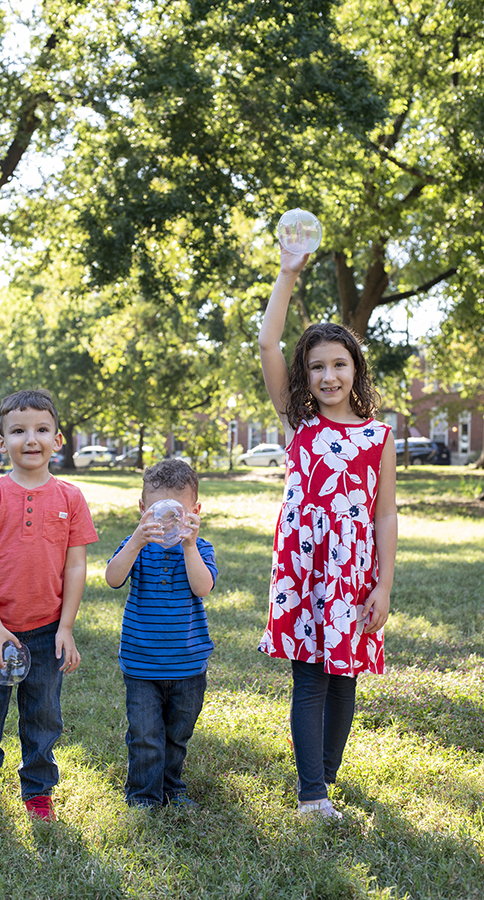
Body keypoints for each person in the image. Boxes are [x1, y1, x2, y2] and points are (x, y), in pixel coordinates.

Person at [257, 238, 397, 818]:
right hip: (303, 568)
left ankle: (327, 775)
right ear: (305, 375)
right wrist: (289, 272)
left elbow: (385, 513)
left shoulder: (378, 437)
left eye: (340, 364)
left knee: (346, 680)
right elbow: (268, 341)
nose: (329, 374)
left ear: (355, 368)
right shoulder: (298, 424)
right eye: (317, 366)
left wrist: (383, 584)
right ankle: (310, 791)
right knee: (311, 678)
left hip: (352, 573)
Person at [0, 389, 98, 827]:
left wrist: (67, 627)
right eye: (18, 430)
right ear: (2, 442)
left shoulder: (71, 498)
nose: (30, 438)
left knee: (42, 716)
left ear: (58, 439)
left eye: (41, 429)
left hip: (46, 628)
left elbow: (76, 567)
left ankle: (38, 791)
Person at [105, 459, 217, 808]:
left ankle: (172, 786)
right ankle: (143, 794)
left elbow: (203, 588)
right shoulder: (134, 546)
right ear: (142, 510)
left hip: (188, 664)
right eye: (158, 512)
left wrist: (188, 546)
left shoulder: (200, 549)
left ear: (195, 512)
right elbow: (112, 578)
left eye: (177, 513)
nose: (168, 522)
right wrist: (136, 543)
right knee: (145, 735)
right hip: (142, 663)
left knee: (177, 735)